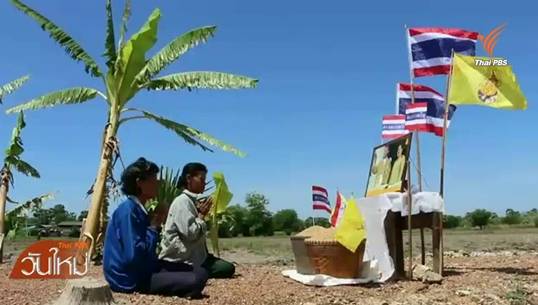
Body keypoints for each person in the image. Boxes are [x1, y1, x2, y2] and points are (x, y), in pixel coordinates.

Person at [103, 157, 208, 298]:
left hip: (144, 268)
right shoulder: (128, 211)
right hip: (129, 278)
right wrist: (154, 227)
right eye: (153, 179)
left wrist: (154, 225)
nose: (158, 183)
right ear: (140, 183)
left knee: (200, 272)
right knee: (195, 280)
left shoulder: (138, 209)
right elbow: (133, 257)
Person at [159, 162, 236, 279]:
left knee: (227, 267)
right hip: (182, 258)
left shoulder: (192, 201)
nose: (204, 183)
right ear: (189, 178)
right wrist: (201, 216)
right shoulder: (182, 202)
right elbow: (190, 234)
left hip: (196, 255)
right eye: (201, 179)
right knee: (226, 269)